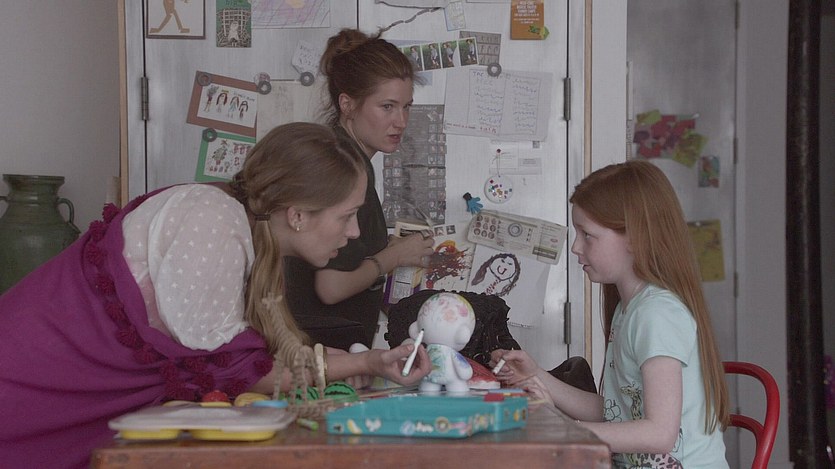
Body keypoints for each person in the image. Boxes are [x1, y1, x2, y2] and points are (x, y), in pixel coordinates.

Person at [0, 123, 431, 469]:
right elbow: (243, 371)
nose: (354, 232)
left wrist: (370, 362)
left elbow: (251, 357)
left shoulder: (233, 221)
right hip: (23, 389)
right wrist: (365, 363)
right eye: (347, 216)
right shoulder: (214, 226)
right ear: (298, 215)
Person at [491, 160, 730, 468]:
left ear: (634, 237)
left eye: (587, 234)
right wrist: (536, 375)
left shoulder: (656, 314)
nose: (576, 247)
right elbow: (617, 412)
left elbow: (659, 434)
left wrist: (563, 430)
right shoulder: (628, 309)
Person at [284, 28, 435, 349]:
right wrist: (393, 256)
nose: (401, 121)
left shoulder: (341, 156)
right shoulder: (344, 168)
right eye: (387, 107)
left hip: (328, 347)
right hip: (319, 349)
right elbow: (331, 287)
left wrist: (382, 250)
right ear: (348, 104)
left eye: (406, 106)